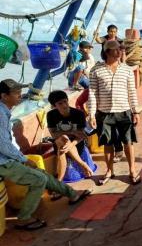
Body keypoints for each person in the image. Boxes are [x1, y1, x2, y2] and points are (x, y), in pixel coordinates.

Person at [0, 79, 91, 231]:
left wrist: (21, 158)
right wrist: (23, 159)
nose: (20, 94)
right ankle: (24, 218)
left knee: (41, 173)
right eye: (16, 92)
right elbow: (3, 144)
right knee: (39, 180)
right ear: (4, 96)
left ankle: (72, 194)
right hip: (3, 162)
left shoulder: (4, 111)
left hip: (8, 157)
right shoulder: (1, 114)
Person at [88, 40, 141, 185]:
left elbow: (132, 92)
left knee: (128, 142)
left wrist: (136, 112)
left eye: (121, 49)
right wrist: (91, 114)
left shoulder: (126, 70)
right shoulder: (96, 70)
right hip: (104, 113)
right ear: (107, 52)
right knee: (108, 143)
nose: (120, 51)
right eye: (117, 49)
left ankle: (132, 170)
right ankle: (109, 170)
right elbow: (92, 93)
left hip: (124, 112)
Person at [47, 90, 95, 186]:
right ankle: (82, 164)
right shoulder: (51, 115)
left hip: (77, 143)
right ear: (54, 106)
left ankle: (59, 182)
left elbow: (82, 136)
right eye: (60, 103)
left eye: (65, 101)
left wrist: (70, 145)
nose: (64, 105)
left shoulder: (78, 114)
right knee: (63, 139)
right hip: (61, 142)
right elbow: (53, 134)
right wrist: (71, 132)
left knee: (63, 145)